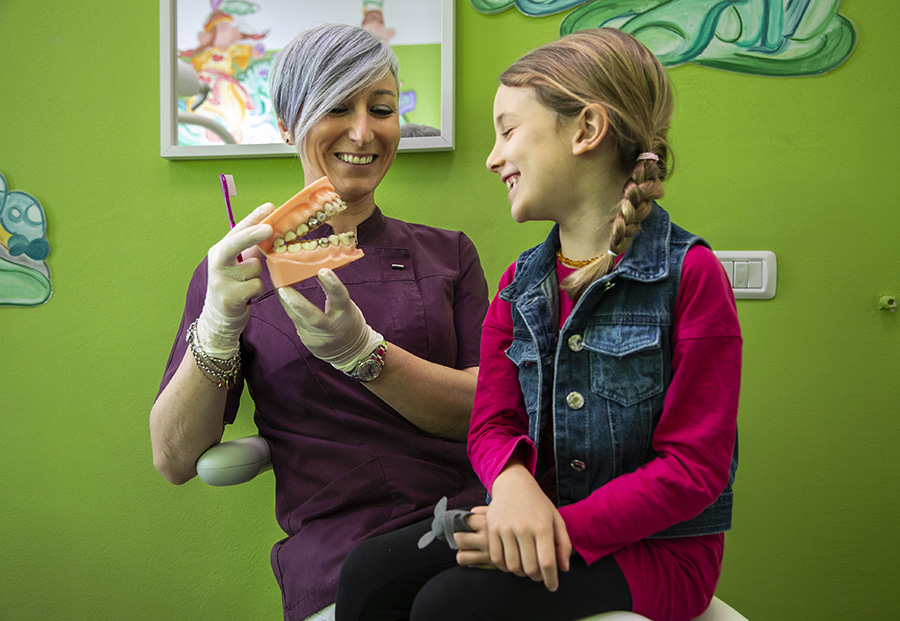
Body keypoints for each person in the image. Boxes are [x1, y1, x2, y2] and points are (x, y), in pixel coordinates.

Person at [334, 28, 741, 621]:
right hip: (534, 516)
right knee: (368, 573)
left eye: (507, 130)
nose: (493, 157)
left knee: (451, 605)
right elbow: (492, 420)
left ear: (586, 130)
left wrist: (554, 529)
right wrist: (513, 483)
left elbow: (693, 469)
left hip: (659, 553)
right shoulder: (518, 286)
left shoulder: (691, 277)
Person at [150, 24, 488, 621]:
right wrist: (219, 321)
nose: (363, 131)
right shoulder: (234, 271)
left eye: (381, 109)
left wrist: (364, 354)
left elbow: (489, 409)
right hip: (339, 555)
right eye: (336, 106)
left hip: (467, 525)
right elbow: (175, 458)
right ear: (287, 125)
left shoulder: (448, 255)